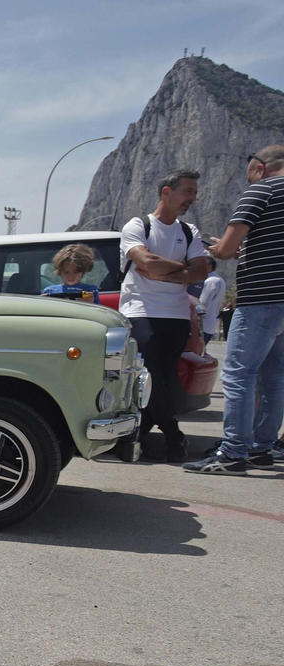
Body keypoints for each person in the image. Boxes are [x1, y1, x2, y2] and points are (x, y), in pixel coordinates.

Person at [185, 146, 284, 474]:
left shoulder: (262, 190)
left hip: (260, 299)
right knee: (275, 376)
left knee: (240, 375)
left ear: (259, 167)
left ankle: (233, 454)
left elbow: (226, 248)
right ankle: (262, 448)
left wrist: (220, 250)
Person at [119, 170, 213, 462]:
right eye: (187, 192)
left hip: (176, 315)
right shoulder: (138, 225)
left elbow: (201, 270)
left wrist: (162, 270)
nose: (192, 199)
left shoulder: (189, 231)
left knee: (160, 379)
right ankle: (173, 435)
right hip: (141, 311)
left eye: (194, 193)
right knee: (151, 376)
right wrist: (181, 269)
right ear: (166, 192)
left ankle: (137, 438)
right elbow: (144, 261)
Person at [195, 271, 225, 344]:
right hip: (212, 321)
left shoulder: (210, 281)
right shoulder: (220, 280)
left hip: (204, 321)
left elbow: (204, 302)